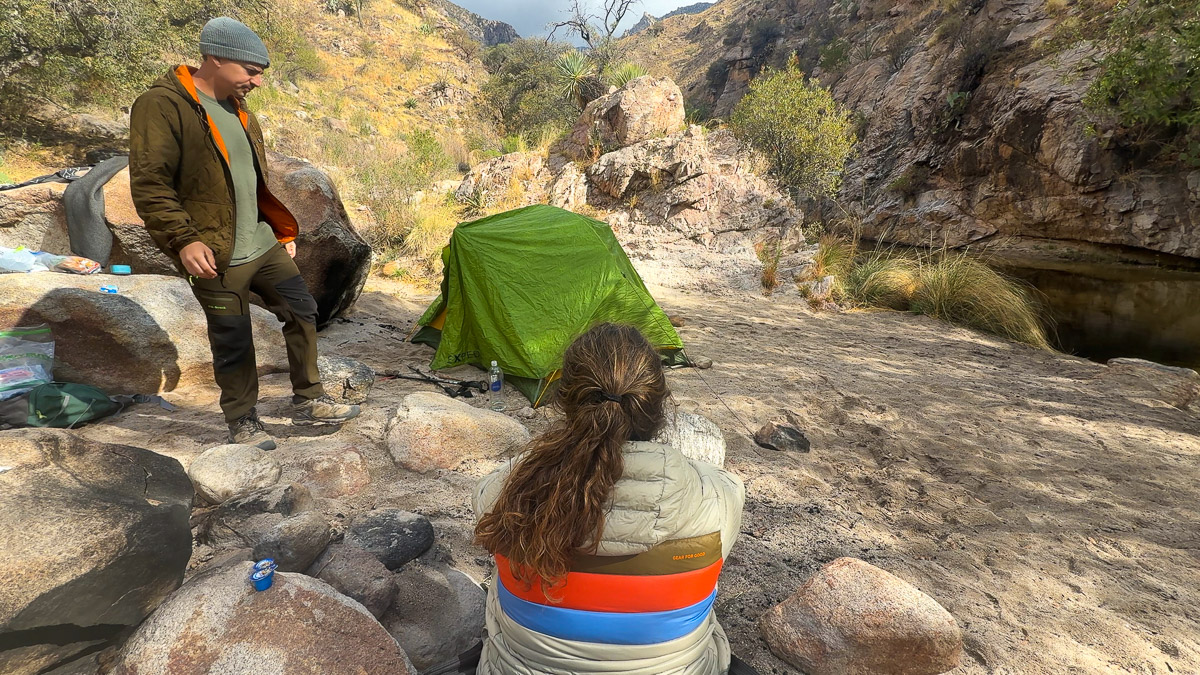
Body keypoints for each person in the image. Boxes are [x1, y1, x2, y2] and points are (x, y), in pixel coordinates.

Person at [128, 17, 358, 450]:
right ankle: (243, 420)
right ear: (215, 57)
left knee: (302, 310)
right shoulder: (163, 105)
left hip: (260, 241)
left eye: (259, 74)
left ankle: (308, 398)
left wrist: (276, 227)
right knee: (232, 336)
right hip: (213, 250)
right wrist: (183, 240)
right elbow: (150, 183)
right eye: (250, 71)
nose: (256, 81)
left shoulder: (239, 109)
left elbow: (250, 179)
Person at [472, 323, 749, 675]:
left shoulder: (506, 489)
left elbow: (484, 504)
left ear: (565, 400)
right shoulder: (720, 495)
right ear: (658, 406)